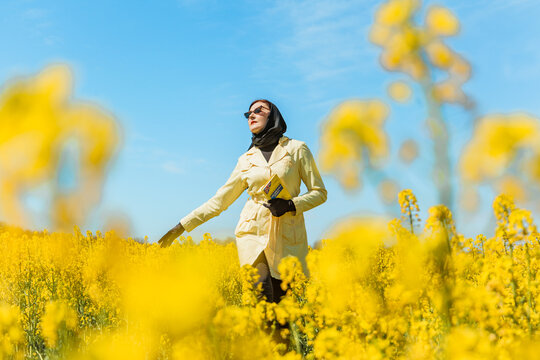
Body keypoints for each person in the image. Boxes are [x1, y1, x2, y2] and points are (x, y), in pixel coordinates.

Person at [157, 99, 327, 304]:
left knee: (283, 310)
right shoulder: (246, 159)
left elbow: (319, 192)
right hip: (252, 234)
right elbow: (220, 200)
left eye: (258, 110)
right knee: (261, 297)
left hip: (287, 234)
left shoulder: (297, 149)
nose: (252, 116)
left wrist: (291, 205)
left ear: (273, 115)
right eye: (248, 114)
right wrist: (181, 226)